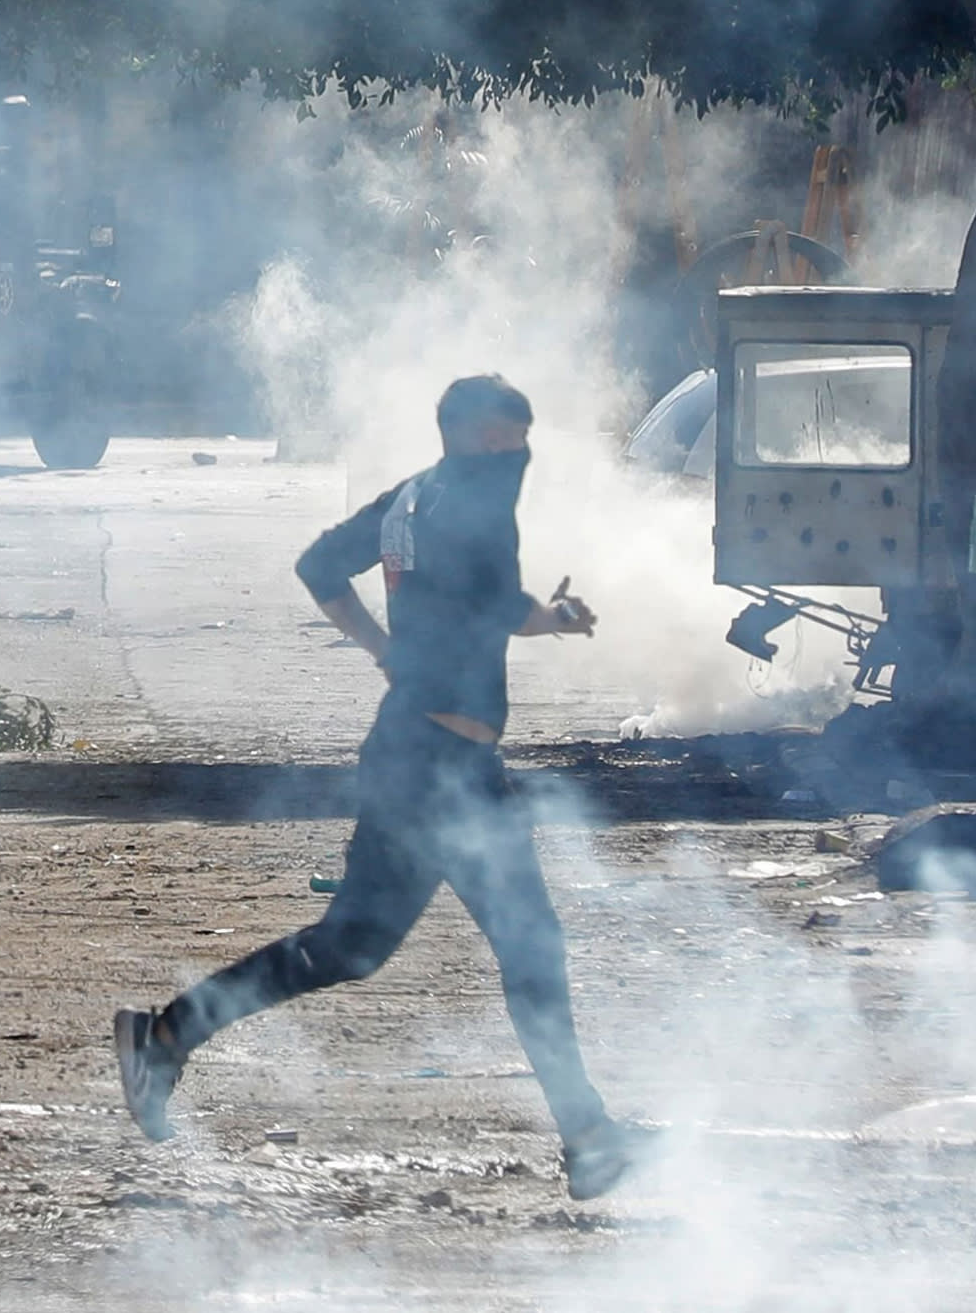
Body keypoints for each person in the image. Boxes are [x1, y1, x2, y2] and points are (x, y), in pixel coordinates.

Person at [113, 375, 652, 1199]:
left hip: (441, 759)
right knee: (510, 945)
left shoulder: (414, 500)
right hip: (433, 764)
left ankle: (168, 1035)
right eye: (503, 441)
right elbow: (482, 598)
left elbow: (335, 567)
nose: (515, 457)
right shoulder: (458, 506)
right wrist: (496, 628)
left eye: (521, 442)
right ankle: (588, 1137)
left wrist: (401, 643)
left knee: (356, 948)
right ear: (464, 435)